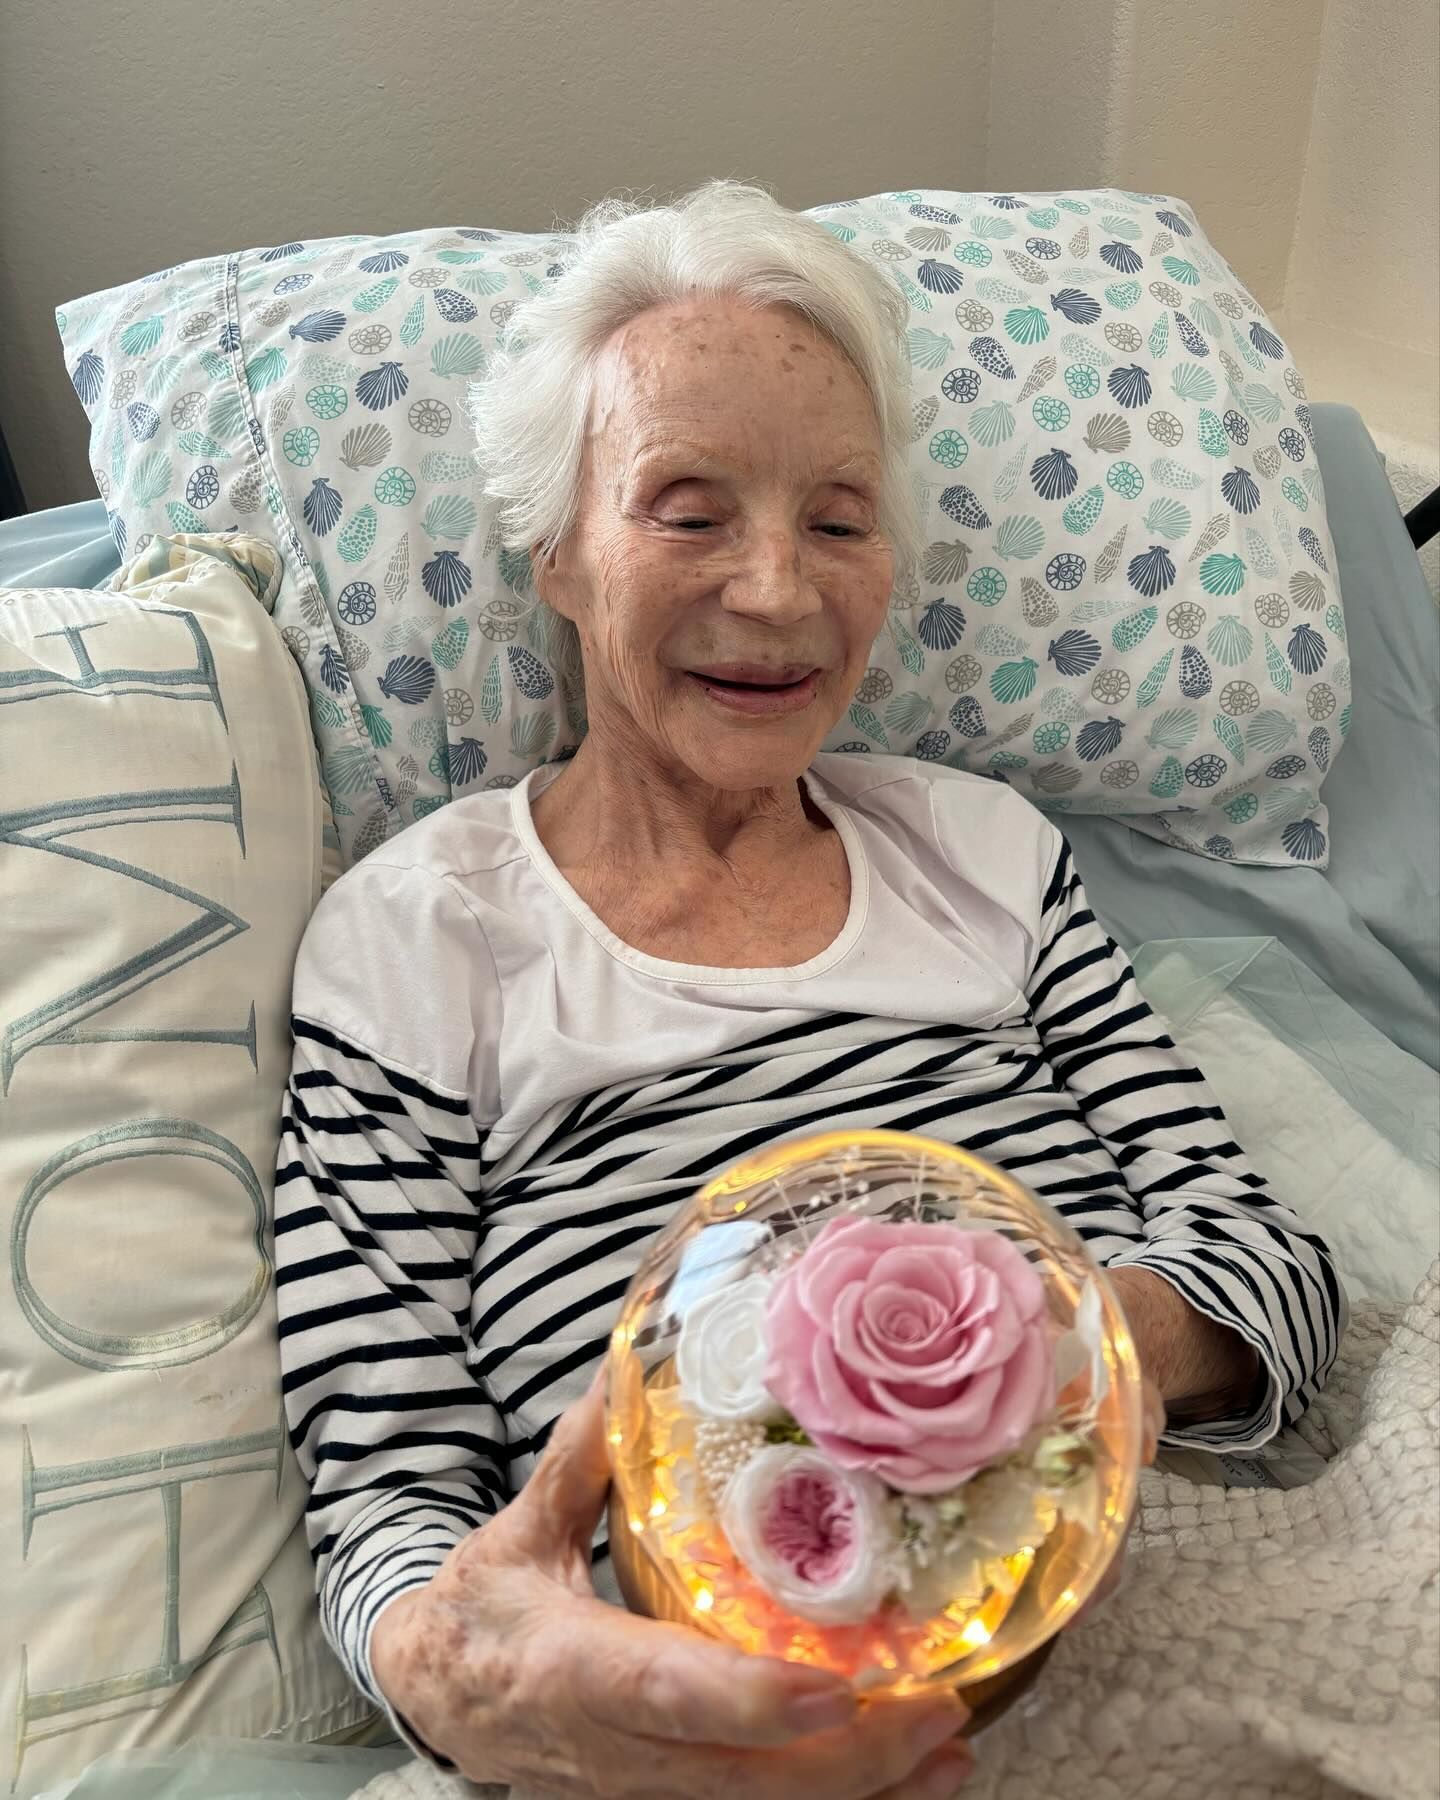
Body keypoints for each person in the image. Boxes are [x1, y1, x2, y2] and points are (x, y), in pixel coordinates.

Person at [274, 181, 1342, 1800]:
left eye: (838, 520)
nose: (778, 592)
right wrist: (476, 1666)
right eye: (687, 511)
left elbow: (1263, 1265)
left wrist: (1042, 1361)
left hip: (1172, 1598)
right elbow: (388, 1500)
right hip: (687, 1715)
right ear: (559, 552)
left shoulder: (984, 855)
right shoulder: (416, 938)